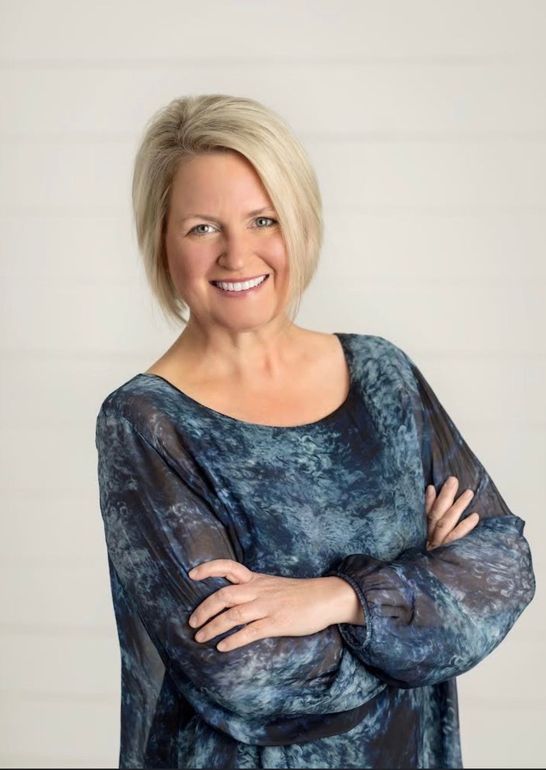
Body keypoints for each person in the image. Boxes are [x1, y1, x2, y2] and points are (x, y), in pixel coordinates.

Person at [95, 94, 536, 770]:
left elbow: (504, 571)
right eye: (202, 228)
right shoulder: (147, 423)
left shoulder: (382, 375)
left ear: (298, 222)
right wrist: (423, 602)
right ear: (160, 238)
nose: (237, 254)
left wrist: (338, 600)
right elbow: (247, 675)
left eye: (262, 219)